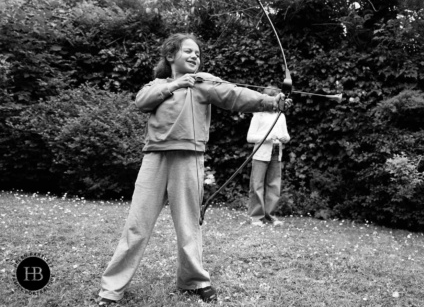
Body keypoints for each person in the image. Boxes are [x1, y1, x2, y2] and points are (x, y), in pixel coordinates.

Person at [97, 33, 291, 305]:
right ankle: (112, 289)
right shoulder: (158, 84)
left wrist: (271, 101)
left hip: (189, 160)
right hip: (155, 159)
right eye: (188, 51)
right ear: (170, 56)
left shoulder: (203, 83)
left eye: (198, 54)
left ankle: (193, 280)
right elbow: (142, 101)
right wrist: (176, 84)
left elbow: (235, 94)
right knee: (136, 225)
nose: (194, 56)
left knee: (189, 225)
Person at [247, 84, 291, 227]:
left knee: (274, 185)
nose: (275, 104)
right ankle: (256, 217)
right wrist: (267, 137)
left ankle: (270, 215)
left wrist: (285, 138)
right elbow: (250, 137)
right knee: (257, 184)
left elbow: (286, 135)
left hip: (276, 153)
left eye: (277, 100)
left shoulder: (281, 116)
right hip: (260, 154)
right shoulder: (258, 115)